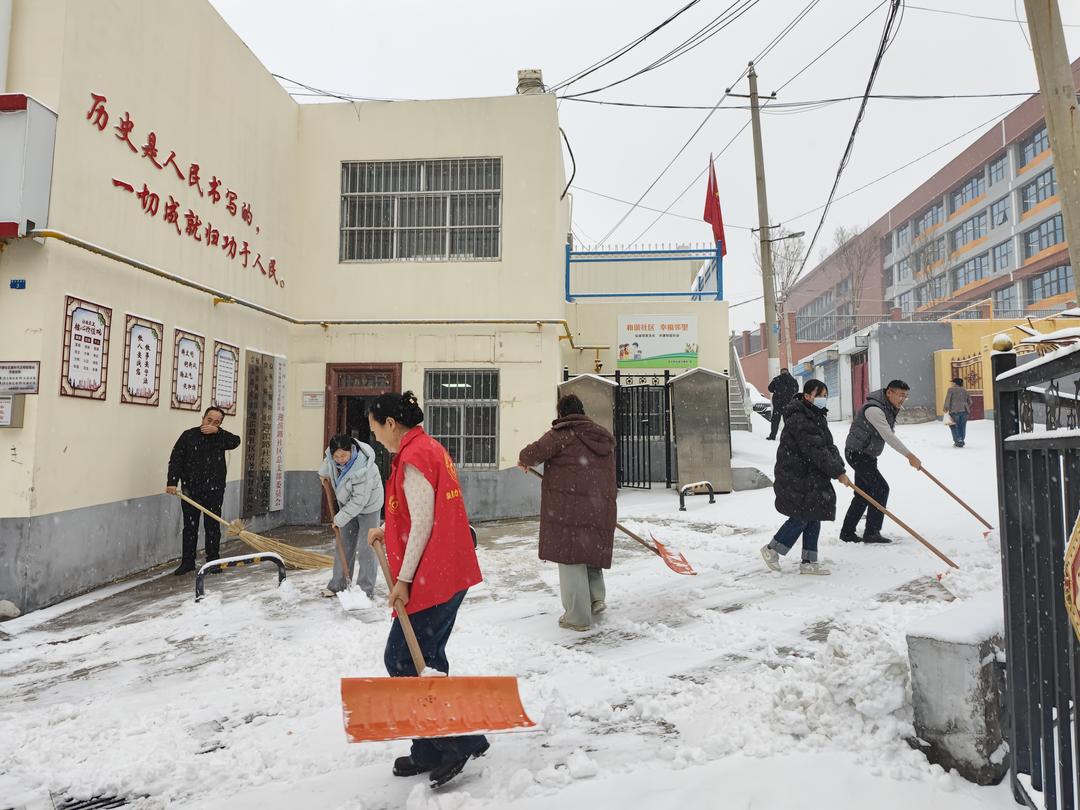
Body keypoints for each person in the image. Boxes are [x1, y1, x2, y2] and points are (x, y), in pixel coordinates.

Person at [365, 391, 489, 789]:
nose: (376, 437)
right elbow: (418, 513)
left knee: (402, 659)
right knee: (426, 657)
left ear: (390, 424)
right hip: (443, 570)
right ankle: (430, 748)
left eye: (374, 429)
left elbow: (423, 523)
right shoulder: (425, 448)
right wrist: (388, 529)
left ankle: (459, 740)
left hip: (434, 577)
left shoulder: (416, 456)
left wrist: (402, 581)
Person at [517, 394, 617, 631]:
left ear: (561, 413)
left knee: (570, 557)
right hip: (599, 504)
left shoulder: (561, 434)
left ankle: (577, 616)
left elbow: (530, 454)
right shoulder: (599, 434)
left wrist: (524, 461)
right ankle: (595, 600)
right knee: (591, 550)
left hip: (569, 507)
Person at [761, 380, 851, 575]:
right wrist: (837, 472)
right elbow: (815, 449)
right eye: (820, 395)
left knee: (814, 514)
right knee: (801, 516)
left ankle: (809, 561)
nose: (823, 399)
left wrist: (839, 468)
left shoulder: (816, 415)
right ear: (808, 396)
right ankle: (772, 549)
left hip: (811, 475)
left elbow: (829, 446)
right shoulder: (799, 418)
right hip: (796, 475)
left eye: (826, 395)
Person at [839, 380, 922, 544]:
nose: (902, 399)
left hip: (867, 454)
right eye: (900, 395)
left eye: (905, 396)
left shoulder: (888, 407)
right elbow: (888, 435)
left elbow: (888, 432)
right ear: (889, 392)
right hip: (858, 453)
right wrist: (909, 456)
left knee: (863, 494)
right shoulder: (874, 410)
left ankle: (847, 532)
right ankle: (872, 532)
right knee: (881, 488)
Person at [166, 406, 241, 575]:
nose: (211, 424)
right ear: (203, 418)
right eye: (209, 420)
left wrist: (218, 432)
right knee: (190, 527)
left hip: (214, 490)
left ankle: (213, 560)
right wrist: (172, 482)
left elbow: (236, 441)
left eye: (216, 422)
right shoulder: (189, 436)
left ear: (220, 424)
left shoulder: (221, 438)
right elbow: (176, 459)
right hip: (190, 490)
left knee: (212, 526)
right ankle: (188, 562)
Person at [318, 434, 383, 599]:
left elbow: (358, 502)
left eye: (343, 455)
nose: (340, 460)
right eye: (336, 456)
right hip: (348, 506)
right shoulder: (333, 460)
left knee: (366, 548)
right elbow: (327, 465)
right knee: (344, 544)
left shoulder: (362, 469)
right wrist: (323, 473)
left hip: (368, 507)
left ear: (351, 450)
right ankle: (338, 585)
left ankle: (364, 589)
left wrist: (338, 519)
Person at [766, 367, 799, 440]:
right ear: (788, 372)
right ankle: (790, 437)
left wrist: (776, 391)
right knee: (788, 421)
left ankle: (772, 436)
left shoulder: (776, 379)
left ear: (781, 372)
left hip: (778, 404)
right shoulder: (793, 381)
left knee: (775, 421)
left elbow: (770, 388)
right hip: (788, 404)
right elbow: (796, 390)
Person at [943, 377, 972, 448]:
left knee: (953, 426)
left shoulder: (951, 390)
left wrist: (945, 408)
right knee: (962, 427)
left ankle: (958, 440)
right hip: (964, 411)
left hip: (954, 411)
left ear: (955, 383)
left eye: (952, 382)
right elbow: (970, 402)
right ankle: (961, 440)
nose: (951, 383)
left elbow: (948, 400)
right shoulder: (965, 390)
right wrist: (965, 406)